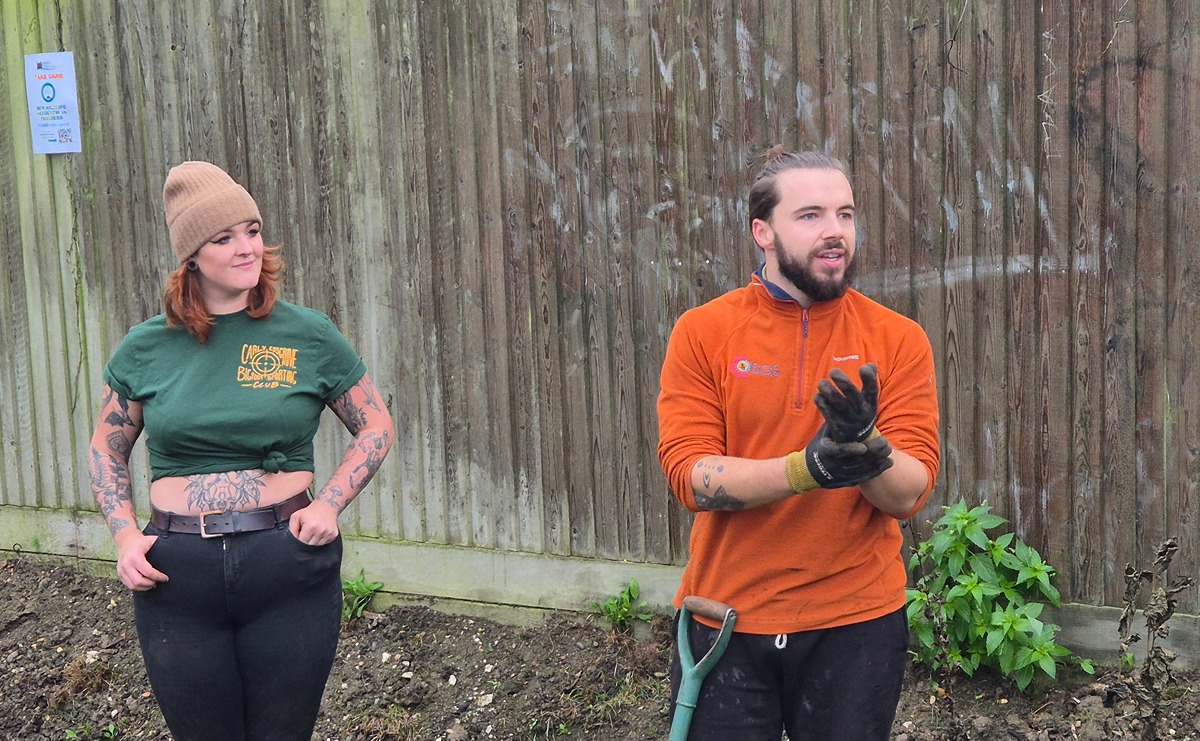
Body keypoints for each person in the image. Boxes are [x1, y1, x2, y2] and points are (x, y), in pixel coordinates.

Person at [87, 160, 395, 741]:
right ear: (192, 257)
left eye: (251, 230)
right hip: (176, 574)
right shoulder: (146, 347)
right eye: (224, 238)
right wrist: (125, 535)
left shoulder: (307, 334)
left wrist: (329, 504)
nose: (246, 247)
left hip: (287, 564)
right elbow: (107, 447)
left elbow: (376, 423)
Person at [657, 150, 940, 739]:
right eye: (811, 215)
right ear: (762, 231)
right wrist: (807, 468)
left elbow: (908, 495)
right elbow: (691, 476)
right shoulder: (703, 331)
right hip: (725, 621)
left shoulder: (897, 339)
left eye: (846, 214)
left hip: (857, 622)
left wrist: (866, 447)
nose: (835, 231)